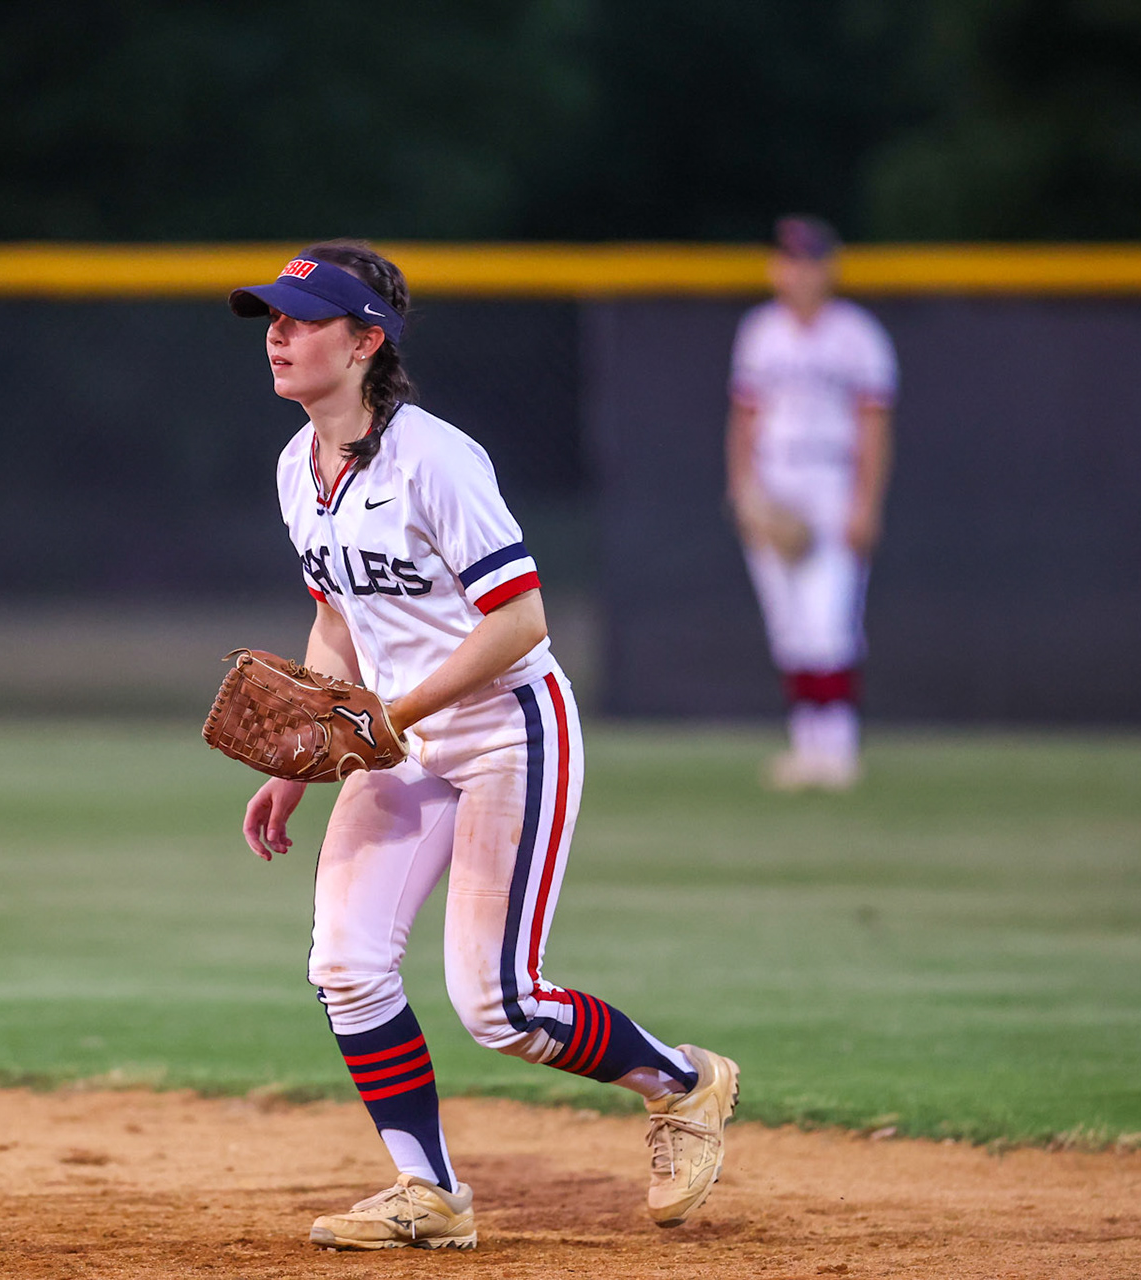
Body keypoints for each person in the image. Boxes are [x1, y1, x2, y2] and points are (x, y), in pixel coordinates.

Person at [228, 241, 739, 1251]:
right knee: (345, 962)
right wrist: (299, 756)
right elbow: (339, 620)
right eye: (271, 317)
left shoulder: (437, 459)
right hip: (400, 743)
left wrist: (397, 714)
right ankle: (430, 1193)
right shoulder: (300, 465)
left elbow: (521, 622)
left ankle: (685, 1081)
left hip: (508, 729)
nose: (278, 333)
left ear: (367, 340)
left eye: (301, 316)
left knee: (499, 1004)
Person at [727, 216, 897, 792]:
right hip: (776, 480)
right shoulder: (760, 331)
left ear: (829, 268)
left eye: (810, 260)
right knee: (790, 626)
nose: (799, 271)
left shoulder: (857, 334)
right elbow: (744, 418)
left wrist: (866, 503)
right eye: (790, 259)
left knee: (829, 620)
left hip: (831, 479)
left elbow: (874, 426)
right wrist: (743, 490)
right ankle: (807, 746)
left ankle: (838, 747)